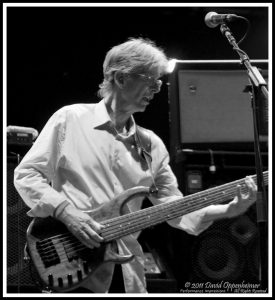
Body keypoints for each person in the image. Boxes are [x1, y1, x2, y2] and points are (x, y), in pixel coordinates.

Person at [14, 37, 257, 293]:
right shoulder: (69, 120)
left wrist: (227, 210)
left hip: (129, 273)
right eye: (151, 80)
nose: (157, 89)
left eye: (159, 82)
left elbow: (174, 209)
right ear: (120, 78)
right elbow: (27, 174)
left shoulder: (151, 144)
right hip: (73, 268)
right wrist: (67, 213)